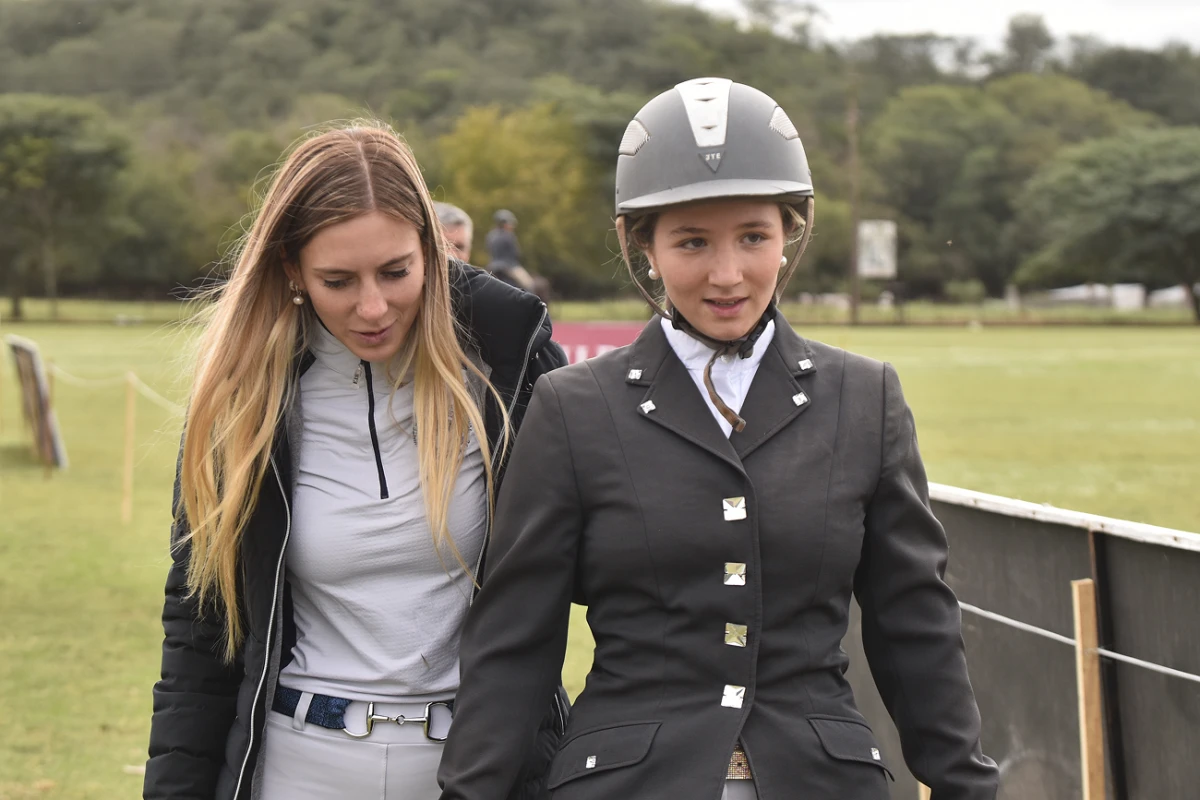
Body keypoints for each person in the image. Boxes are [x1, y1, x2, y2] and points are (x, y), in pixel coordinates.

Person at [437, 78, 1000, 800]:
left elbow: (914, 624)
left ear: (791, 232)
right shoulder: (574, 407)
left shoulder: (865, 397)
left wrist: (966, 787)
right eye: (693, 242)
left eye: (754, 238)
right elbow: (515, 640)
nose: (727, 274)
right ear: (641, 244)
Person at [143, 123, 568, 800]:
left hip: (479, 772)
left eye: (396, 272)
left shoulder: (511, 368)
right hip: (295, 769)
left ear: (432, 251)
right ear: (291, 269)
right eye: (337, 281)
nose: (373, 307)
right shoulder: (242, 398)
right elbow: (200, 634)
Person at [484, 209, 538, 294]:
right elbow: (516, 253)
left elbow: (489, 250)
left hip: (492, 266)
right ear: (504, 223)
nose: (512, 226)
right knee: (529, 284)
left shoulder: (490, 235)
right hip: (509, 267)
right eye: (510, 223)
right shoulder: (509, 236)